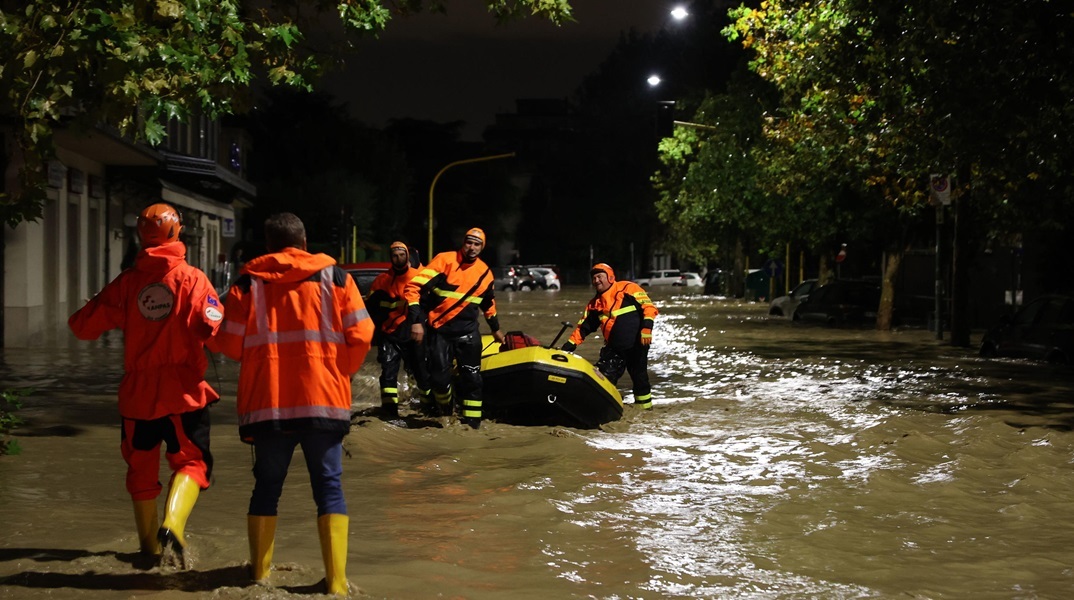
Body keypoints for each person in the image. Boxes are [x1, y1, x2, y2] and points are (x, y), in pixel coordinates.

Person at [209, 213, 373, 595]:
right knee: (329, 487)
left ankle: (259, 578)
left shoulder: (248, 284)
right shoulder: (337, 278)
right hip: (324, 401)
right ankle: (335, 584)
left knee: (267, 487)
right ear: (304, 241)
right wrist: (340, 371)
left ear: (267, 245)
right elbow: (363, 333)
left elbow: (231, 345)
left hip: (269, 405)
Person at [68, 203, 223, 567]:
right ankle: (173, 524)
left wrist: (101, 307)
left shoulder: (127, 282)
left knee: (140, 471)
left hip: (137, 397)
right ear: (177, 232)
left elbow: (81, 327)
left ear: (141, 233)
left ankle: (148, 554)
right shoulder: (193, 279)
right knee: (192, 463)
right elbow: (215, 331)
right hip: (184, 393)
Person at [405, 227, 506, 428]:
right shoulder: (445, 261)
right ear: (463, 243)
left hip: (468, 333)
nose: (472, 247)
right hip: (440, 331)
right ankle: (445, 412)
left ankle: (472, 425)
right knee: (440, 380)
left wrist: (495, 329)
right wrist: (416, 321)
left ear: (482, 247)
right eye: (469, 242)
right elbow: (413, 287)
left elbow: (488, 304)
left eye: (477, 244)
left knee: (473, 380)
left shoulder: (485, 273)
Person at [561, 263, 659, 409]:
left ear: (610, 277)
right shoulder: (594, 304)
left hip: (637, 345)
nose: (596, 280)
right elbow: (583, 328)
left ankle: (645, 411)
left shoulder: (628, 288)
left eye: (599, 276)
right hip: (614, 349)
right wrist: (567, 347)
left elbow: (649, 308)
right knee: (602, 378)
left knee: (640, 380)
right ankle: (600, 409)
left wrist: (646, 328)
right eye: (594, 278)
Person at [365, 241, 432, 417]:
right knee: (388, 374)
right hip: (390, 333)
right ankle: (389, 412)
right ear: (390, 257)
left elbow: (428, 305)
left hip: (413, 333)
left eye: (402, 254)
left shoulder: (419, 277)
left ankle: (428, 407)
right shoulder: (382, 280)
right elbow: (371, 310)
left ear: (407, 256)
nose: (398, 258)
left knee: (420, 373)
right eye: (395, 255)